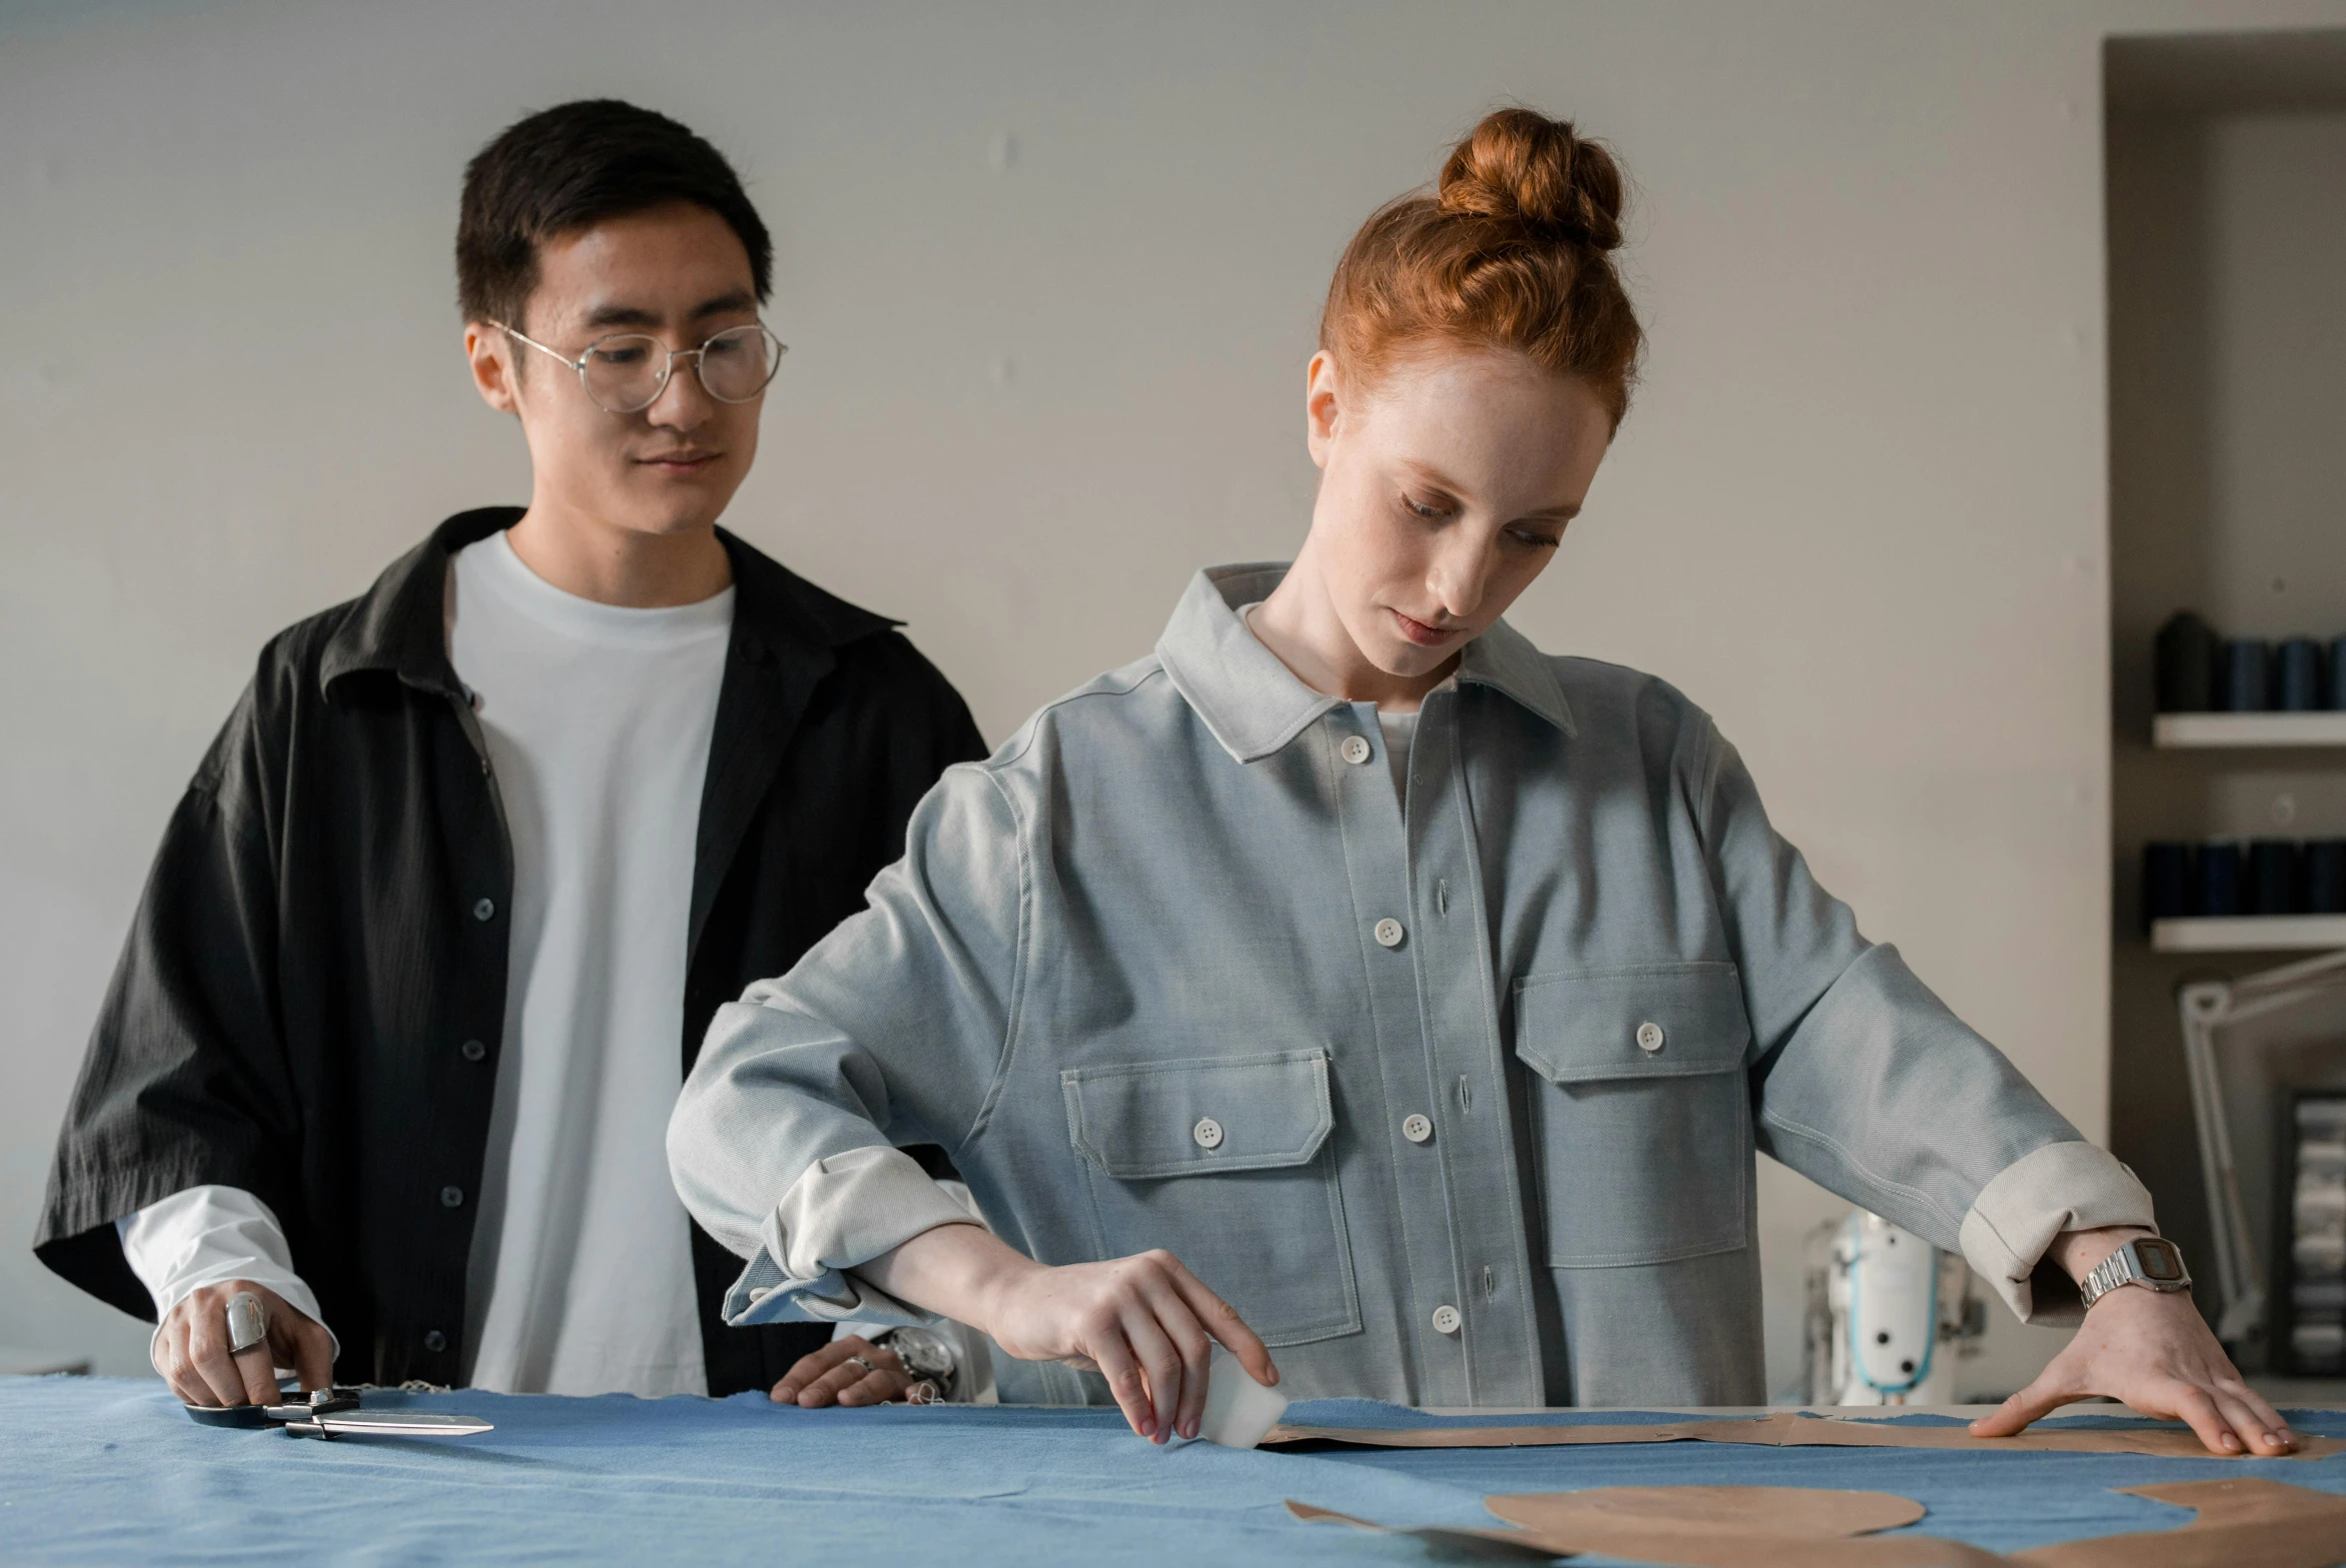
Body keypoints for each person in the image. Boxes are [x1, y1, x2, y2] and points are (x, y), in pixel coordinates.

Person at [667, 107, 2293, 1456]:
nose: (1459, 583)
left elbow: (1866, 1045)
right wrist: (993, 1288)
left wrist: (2118, 1262)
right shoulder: (1057, 814)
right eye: (1423, 501)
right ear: (1323, 409)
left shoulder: (1650, 767)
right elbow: (744, 1104)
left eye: (1531, 535)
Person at [34, 99, 985, 1407]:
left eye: (722, 341)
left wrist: (926, 1333)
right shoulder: (331, 697)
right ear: (495, 364)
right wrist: (229, 1282)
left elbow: (993, 1097)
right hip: (411, 1451)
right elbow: (178, 1080)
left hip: (783, 1449)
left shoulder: (877, 711)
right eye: (619, 350)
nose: (683, 399)